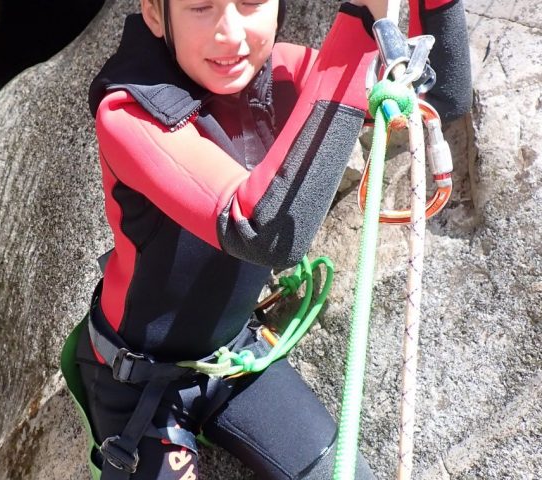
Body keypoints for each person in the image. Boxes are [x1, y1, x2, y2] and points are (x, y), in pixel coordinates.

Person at [69, 0, 471, 478]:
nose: (232, 35)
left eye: (252, 2)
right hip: (139, 382)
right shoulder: (129, 113)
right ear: (156, 15)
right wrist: (360, 26)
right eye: (201, 7)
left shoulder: (283, 73)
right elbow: (259, 230)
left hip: (235, 357)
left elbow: (438, 95)